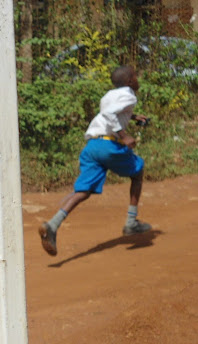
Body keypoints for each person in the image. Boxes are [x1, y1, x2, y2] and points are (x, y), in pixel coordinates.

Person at [39, 65, 151, 256]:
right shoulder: (130, 95)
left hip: (92, 146)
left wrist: (131, 116)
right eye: (135, 75)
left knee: (84, 191)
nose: (137, 78)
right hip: (109, 146)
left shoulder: (109, 95)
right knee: (138, 170)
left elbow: (108, 111)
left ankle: (52, 225)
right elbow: (110, 115)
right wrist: (124, 136)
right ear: (130, 81)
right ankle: (131, 222)